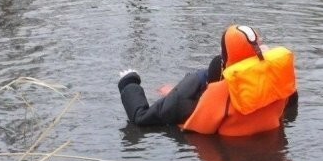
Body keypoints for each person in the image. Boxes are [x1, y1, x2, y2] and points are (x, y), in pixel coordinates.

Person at [117, 25, 297, 136]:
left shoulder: (218, 94)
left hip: (206, 108)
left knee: (148, 114)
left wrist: (129, 83)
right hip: (261, 130)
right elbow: (290, 108)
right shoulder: (277, 76)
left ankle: (132, 81)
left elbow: (143, 119)